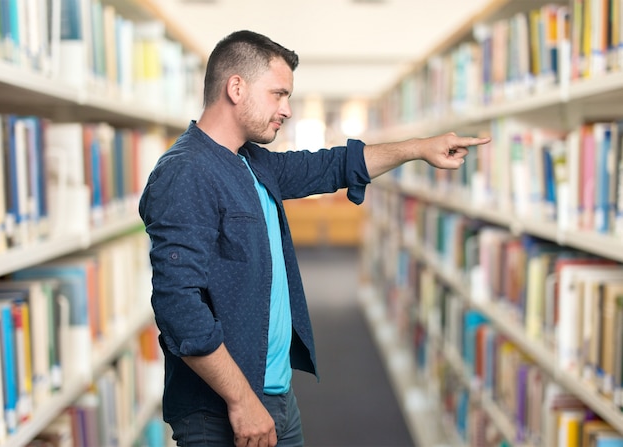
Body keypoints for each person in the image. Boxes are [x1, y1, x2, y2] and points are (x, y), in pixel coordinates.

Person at [138, 29, 490, 447]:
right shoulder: (187, 172)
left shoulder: (249, 161)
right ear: (236, 88)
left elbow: (331, 165)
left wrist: (417, 148)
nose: (287, 109)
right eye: (278, 94)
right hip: (225, 412)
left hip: (275, 396)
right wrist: (242, 401)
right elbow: (178, 305)